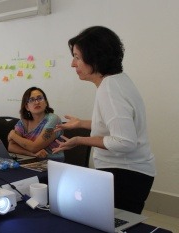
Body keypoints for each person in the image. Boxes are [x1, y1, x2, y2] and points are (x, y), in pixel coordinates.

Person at [52, 26, 155, 214]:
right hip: (129, 172)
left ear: (95, 58)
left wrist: (80, 140)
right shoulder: (116, 81)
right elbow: (117, 125)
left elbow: (124, 141)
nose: (73, 64)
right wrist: (82, 124)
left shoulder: (110, 89)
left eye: (77, 57)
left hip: (126, 174)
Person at [7, 87, 64, 161]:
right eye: (31, 100)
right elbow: (11, 146)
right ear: (27, 107)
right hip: (30, 161)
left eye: (40, 98)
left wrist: (12, 135)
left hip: (52, 163)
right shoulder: (23, 122)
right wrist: (32, 154)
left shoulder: (53, 119)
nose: (37, 102)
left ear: (46, 103)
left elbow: (35, 147)